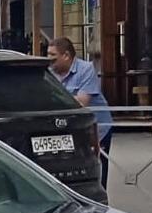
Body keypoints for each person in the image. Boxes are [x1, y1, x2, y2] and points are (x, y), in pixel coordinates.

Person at [49, 36, 114, 186]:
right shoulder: (50, 73)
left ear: (66, 55)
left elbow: (82, 103)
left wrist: (55, 99)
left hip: (97, 128)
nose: (49, 59)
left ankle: (101, 201)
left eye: (53, 55)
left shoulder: (86, 69)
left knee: (97, 168)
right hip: (68, 129)